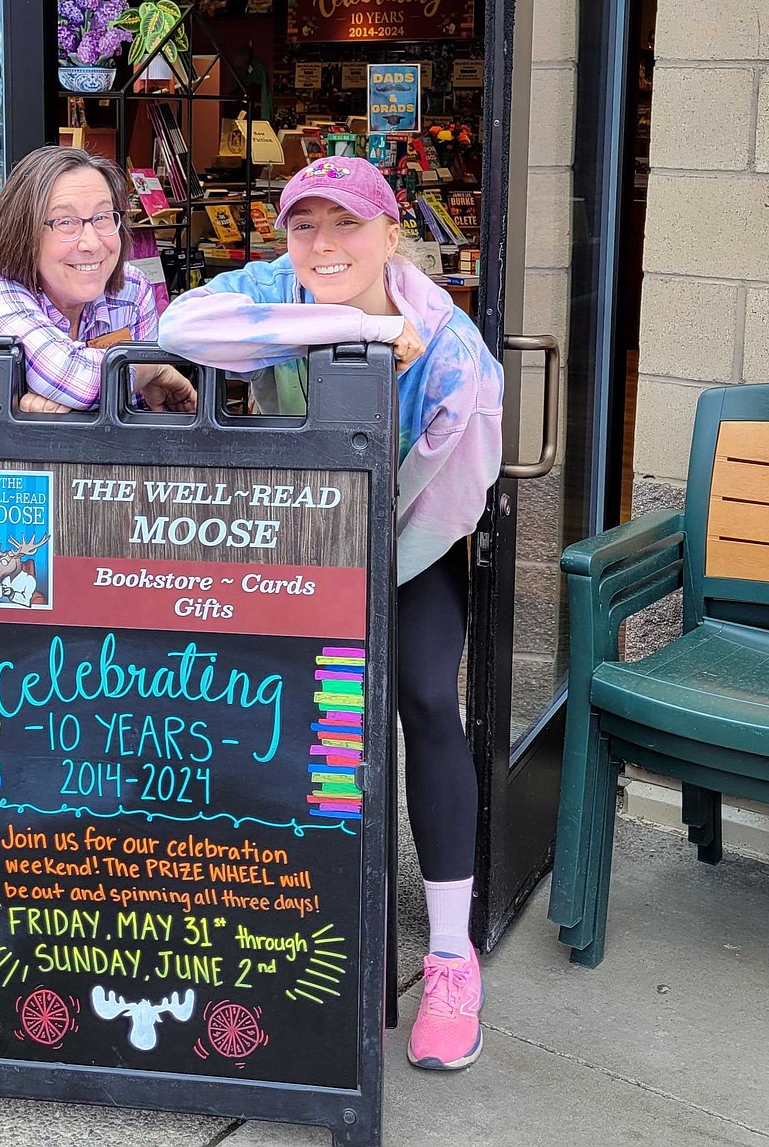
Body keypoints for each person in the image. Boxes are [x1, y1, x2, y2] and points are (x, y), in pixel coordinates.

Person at [158, 156, 503, 1071]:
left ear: (393, 234)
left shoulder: (449, 344)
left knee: (426, 697)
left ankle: (448, 953)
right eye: (305, 225)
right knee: (278, 707)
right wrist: (354, 326)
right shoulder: (281, 284)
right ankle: (296, 923)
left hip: (413, 533)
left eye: (347, 224)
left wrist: (364, 571)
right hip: (298, 539)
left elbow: (455, 484)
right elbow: (182, 322)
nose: (324, 244)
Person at [0, 145, 194, 414]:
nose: (91, 243)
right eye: (65, 222)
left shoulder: (132, 288)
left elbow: (135, 411)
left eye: (103, 217)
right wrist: (153, 367)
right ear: (23, 232)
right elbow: (84, 385)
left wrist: (69, 398)